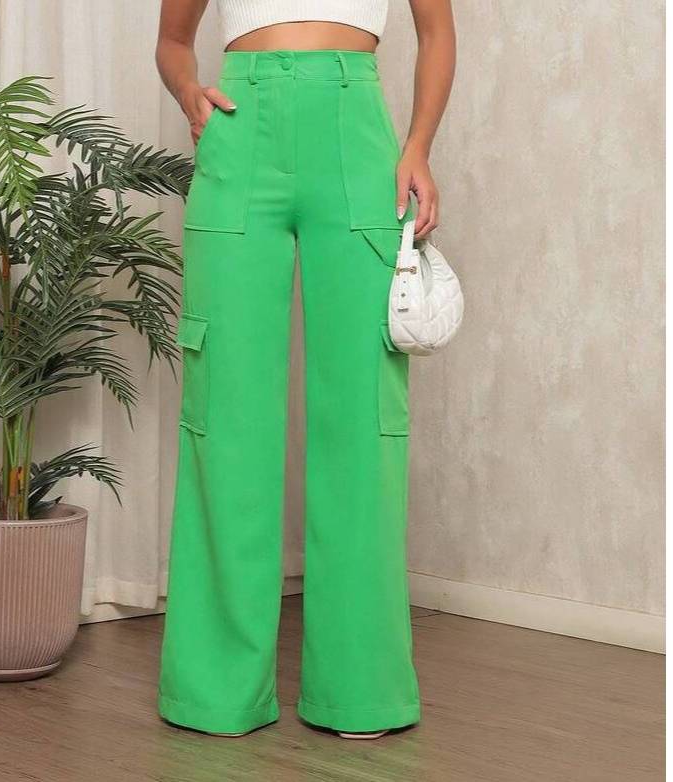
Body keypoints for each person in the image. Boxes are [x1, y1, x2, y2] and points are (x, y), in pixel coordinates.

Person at [156, 0, 456, 739]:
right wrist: (191, 93)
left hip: (356, 136)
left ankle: (361, 690)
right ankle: (217, 692)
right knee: (225, 416)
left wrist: (418, 146)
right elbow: (171, 40)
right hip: (239, 135)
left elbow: (437, 31)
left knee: (362, 422)